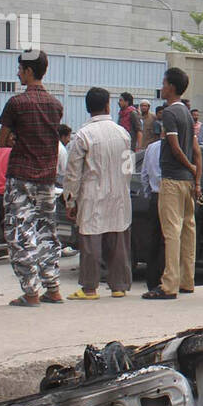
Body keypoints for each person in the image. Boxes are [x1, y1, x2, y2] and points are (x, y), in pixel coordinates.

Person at [0, 51, 65, 307]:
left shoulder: (17, 103)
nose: (18, 73)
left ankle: (30, 291)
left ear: (28, 71)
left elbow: (3, 140)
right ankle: (53, 287)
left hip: (20, 176)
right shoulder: (56, 105)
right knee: (46, 231)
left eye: (20, 69)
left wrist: (16, 138)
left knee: (20, 233)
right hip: (47, 178)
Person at [64, 88, 133, 300]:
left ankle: (89, 288)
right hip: (119, 193)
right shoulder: (122, 133)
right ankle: (118, 286)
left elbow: (73, 172)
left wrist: (70, 200)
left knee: (91, 240)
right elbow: (128, 167)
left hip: (92, 194)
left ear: (88, 108)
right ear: (107, 105)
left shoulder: (83, 135)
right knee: (117, 237)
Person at [144, 67, 199, 300]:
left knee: (172, 232)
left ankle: (169, 284)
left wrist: (189, 168)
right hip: (187, 183)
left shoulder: (169, 113)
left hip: (173, 179)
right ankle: (187, 280)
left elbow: (175, 149)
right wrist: (197, 179)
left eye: (164, 83)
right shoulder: (187, 113)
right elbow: (195, 149)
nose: (162, 87)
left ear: (172, 87)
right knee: (188, 230)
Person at [139, 134, 166, 292]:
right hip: (169, 196)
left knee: (154, 241)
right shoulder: (176, 148)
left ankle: (152, 281)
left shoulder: (151, 147)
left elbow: (144, 175)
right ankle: (166, 278)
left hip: (155, 198)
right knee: (168, 241)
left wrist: (150, 195)